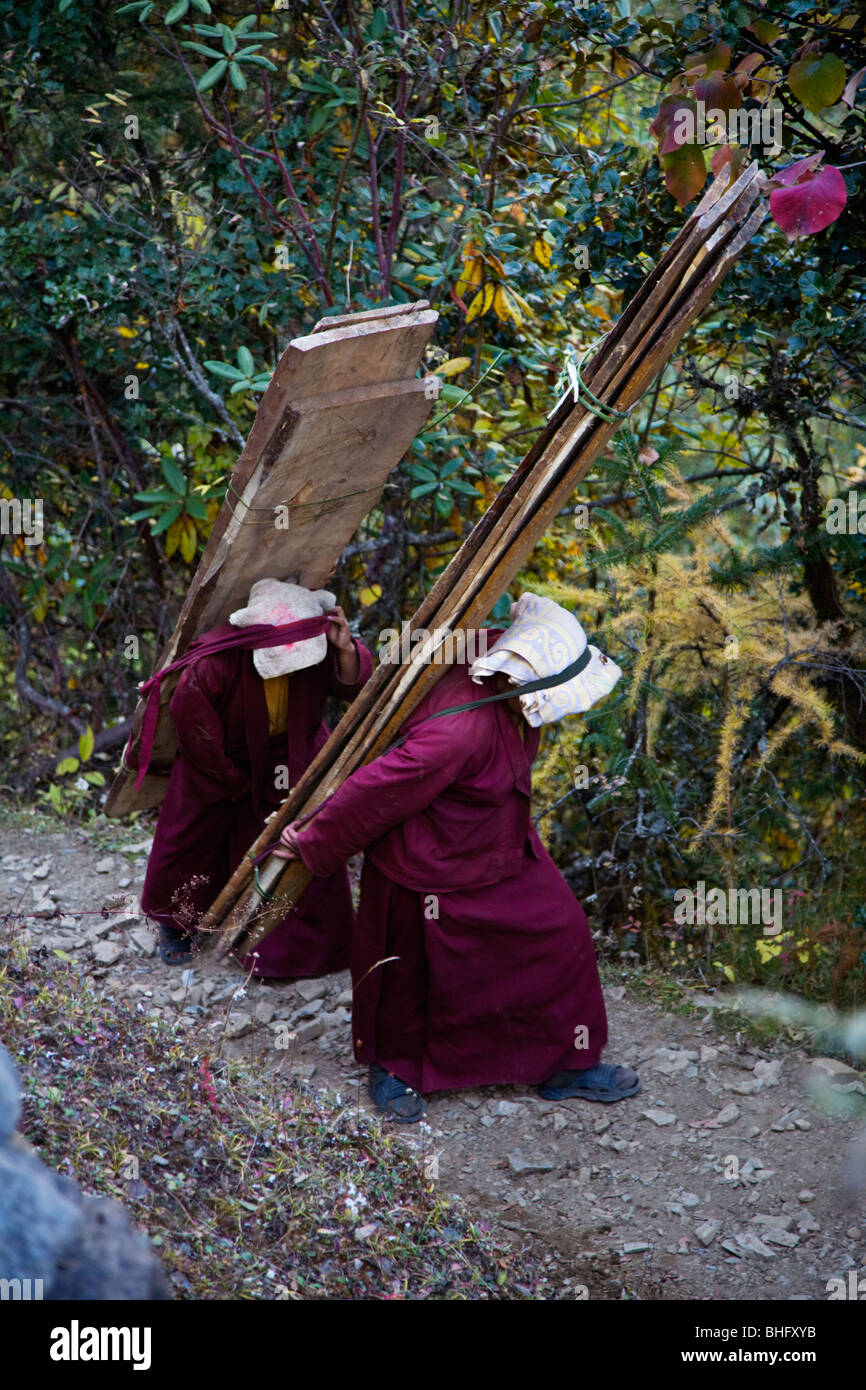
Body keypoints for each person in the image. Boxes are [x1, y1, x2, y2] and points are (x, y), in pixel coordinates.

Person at [273, 592, 640, 1119]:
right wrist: (311, 839)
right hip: (423, 857)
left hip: (497, 836)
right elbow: (374, 791)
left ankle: (564, 1060)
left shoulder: (490, 650)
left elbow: (399, 669)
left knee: (559, 931)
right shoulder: (456, 733)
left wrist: (353, 655)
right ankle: (396, 1067)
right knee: (412, 970)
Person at [140, 579, 372, 974]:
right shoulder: (213, 664)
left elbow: (353, 686)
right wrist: (230, 779)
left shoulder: (321, 644)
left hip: (291, 752)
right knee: (194, 835)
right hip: (217, 761)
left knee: (300, 839)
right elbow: (195, 728)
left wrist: (347, 649)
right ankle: (177, 925)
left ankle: (306, 947)